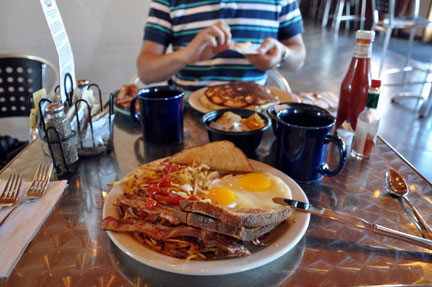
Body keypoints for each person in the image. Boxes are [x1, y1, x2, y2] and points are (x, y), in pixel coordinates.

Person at [136, 0, 306, 92]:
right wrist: (184, 56)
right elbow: (146, 72)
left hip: (255, 115)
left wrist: (282, 54)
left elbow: (298, 59)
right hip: (186, 119)